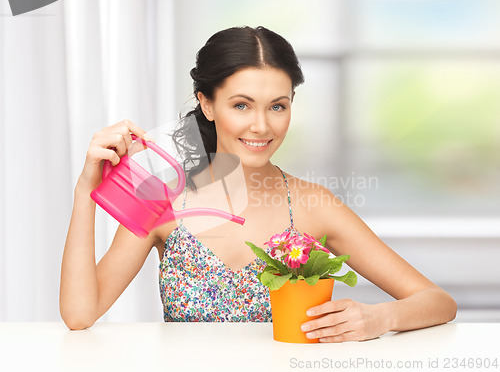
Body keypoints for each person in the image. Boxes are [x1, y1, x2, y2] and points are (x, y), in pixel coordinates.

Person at [60, 26, 457, 341]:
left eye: (278, 106)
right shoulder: (163, 198)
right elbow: (80, 314)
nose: (262, 126)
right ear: (207, 104)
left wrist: (379, 317)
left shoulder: (312, 204)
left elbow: (437, 302)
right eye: (241, 105)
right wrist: (85, 192)